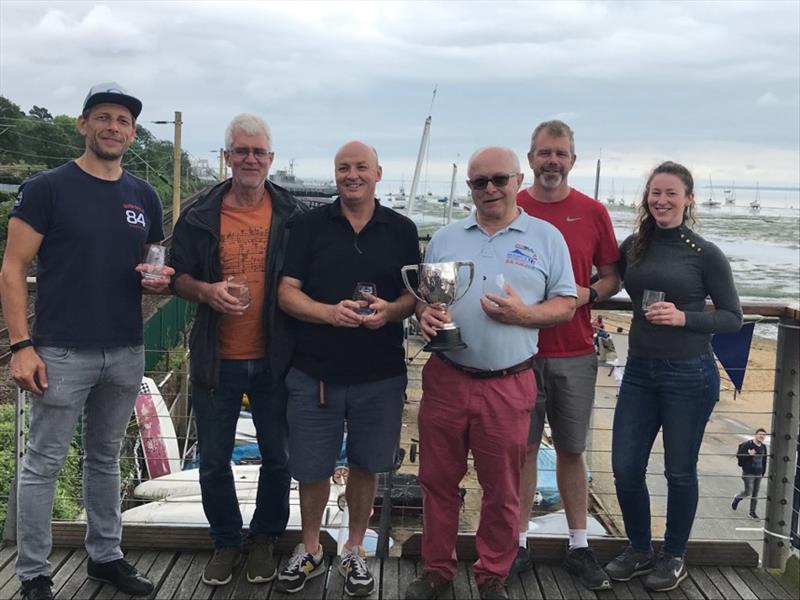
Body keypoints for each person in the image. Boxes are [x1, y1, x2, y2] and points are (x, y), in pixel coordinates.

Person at [0, 82, 172, 600]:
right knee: (43, 461)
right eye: (103, 117)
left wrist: (158, 279)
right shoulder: (48, 187)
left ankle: (106, 556)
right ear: (83, 124)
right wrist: (21, 345)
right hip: (60, 350)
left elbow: (154, 264)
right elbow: (12, 268)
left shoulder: (143, 195)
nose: (113, 127)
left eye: (122, 120)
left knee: (104, 457)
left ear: (133, 133)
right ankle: (33, 571)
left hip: (125, 348)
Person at [405, 146, 577, 600]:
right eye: (480, 182)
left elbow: (566, 303)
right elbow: (428, 298)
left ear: (518, 180)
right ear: (469, 189)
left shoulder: (546, 238)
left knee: (501, 489)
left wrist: (524, 314)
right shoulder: (445, 237)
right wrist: (423, 314)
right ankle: (437, 570)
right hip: (447, 376)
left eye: (499, 179)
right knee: (437, 481)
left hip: (508, 381)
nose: (490, 189)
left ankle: (492, 574)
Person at [276, 141, 420, 596]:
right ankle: (313, 548)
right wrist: (327, 313)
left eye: (361, 167)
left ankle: (355, 549)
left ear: (379, 173)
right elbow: (285, 292)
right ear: (335, 174)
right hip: (314, 372)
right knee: (312, 469)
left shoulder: (402, 228)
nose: (351, 175)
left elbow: (414, 296)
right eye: (343, 168)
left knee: (367, 466)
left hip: (379, 374)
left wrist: (390, 312)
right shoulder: (308, 225)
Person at [169, 113, 306, 586]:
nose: (250, 159)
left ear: (270, 158)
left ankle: (266, 538)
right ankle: (227, 541)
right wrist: (206, 292)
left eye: (259, 152)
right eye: (241, 151)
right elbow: (176, 275)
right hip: (217, 357)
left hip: (275, 357)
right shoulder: (199, 213)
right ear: (227, 156)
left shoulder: (293, 214)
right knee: (212, 460)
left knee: (279, 457)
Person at [605, 161, 742, 592]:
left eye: (670, 194)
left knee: (679, 472)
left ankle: (675, 555)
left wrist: (684, 317)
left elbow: (732, 318)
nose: (661, 201)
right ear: (646, 198)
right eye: (654, 193)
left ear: (688, 199)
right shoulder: (633, 246)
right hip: (640, 371)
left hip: (689, 374)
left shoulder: (705, 253)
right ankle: (640, 548)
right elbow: (608, 279)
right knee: (625, 468)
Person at [513, 120, 620, 590]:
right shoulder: (513, 205)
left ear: (572, 160)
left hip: (575, 350)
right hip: (518, 350)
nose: (551, 161)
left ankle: (579, 545)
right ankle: (516, 544)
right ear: (531, 159)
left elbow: (612, 275)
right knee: (523, 451)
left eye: (560, 153)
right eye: (543, 153)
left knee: (573, 450)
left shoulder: (592, 211)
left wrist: (585, 294)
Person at [732, 428, 768, 519]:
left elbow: (764, 460)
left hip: (758, 473)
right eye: (760, 434)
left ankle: (752, 512)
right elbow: (739, 456)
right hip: (748, 473)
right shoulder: (747, 445)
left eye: (763, 435)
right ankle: (737, 498)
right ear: (755, 435)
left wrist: (763, 472)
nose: (761, 436)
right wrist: (749, 455)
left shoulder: (763, 447)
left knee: (755, 494)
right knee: (749, 491)